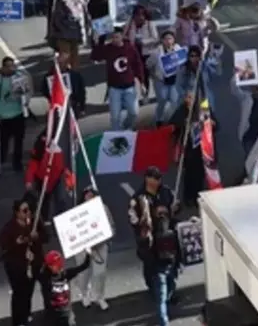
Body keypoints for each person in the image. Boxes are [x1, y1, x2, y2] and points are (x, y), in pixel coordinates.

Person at [128, 167, 180, 326]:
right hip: (151, 247)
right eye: (155, 178)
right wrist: (143, 224)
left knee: (172, 273)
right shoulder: (138, 198)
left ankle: (169, 293)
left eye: (159, 178)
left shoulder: (166, 192)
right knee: (155, 276)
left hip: (169, 242)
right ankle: (157, 295)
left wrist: (175, 208)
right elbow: (133, 219)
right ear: (147, 179)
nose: (158, 181)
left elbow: (176, 208)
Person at [0, 199, 48, 326]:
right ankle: (17, 320)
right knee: (19, 293)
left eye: (29, 210)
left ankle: (26, 315)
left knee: (29, 291)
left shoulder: (35, 222)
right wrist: (16, 243)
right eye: (24, 211)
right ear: (17, 213)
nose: (28, 213)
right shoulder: (9, 228)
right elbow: (1, 247)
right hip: (16, 267)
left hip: (34, 263)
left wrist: (37, 236)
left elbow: (46, 236)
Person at [91, 28, 145, 130]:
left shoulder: (130, 48)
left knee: (134, 112)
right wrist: (96, 43)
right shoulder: (108, 48)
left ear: (122, 37)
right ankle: (116, 135)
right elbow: (95, 57)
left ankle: (126, 127)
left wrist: (141, 82)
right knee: (115, 116)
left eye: (117, 37)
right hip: (114, 88)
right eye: (113, 38)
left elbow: (138, 65)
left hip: (129, 86)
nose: (115, 40)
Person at [169, 92, 215, 207]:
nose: (189, 100)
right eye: (187, 97)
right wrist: (184, 122)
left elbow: (215, 124)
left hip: (202, 148)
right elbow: (173, 124)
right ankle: (188, 197)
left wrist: (211, 124)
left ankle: (197, 196)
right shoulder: (182, 110)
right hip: (188, 148)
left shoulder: (203, 108)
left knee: (200, 174)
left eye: (191, 97)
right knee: (189, 174)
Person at [75, 186, 114, 311]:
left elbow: (111, 226)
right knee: (83, 273)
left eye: (92, 195)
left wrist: (106, 238)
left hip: (101, 246)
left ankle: (99, 296)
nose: (90, 198)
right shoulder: (77, 212)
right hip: (83, 248)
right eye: (87, 195)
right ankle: (84, 294)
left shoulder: (104, 209)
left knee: (100, 273)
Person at [25, 129, 76, 225]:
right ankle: (45, 218)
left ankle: (60, 220)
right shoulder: (40, 145)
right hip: (44, 177)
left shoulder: (63, 143)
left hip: (57, 177)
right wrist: (29, 179)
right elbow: (34, 163)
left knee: (59, 198)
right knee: (45, 199)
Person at [0, 57, 29, 172]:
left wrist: (25, 99)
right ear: (3, 67)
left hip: (18, 114)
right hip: (4, 116)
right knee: (4, 141)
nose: (11, 68)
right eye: (8, 66)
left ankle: (17, 163)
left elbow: (26, 92)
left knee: (19, 141)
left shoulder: (19, 78)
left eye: (12, 66)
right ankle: (2, 160)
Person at [39, 249, 91, 326]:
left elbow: (84, 266)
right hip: (52, 316)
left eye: (60, 264)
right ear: (49, 266)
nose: (59, 267)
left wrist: (88, 254)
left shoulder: (65, 274)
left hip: (66, 314)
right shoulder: (44, 278)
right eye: (56, 265)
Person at [230, 75, 258, 156]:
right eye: (257, 88)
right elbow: (234, 89)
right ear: (252, 89)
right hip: (249, 137)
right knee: (251, 161)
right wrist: (238, 74)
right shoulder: (246, 99)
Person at [48, 0, 90, 70]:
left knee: (74, 59)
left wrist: (87, 27)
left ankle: (72, 78)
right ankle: (56, 76)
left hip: (76, 30)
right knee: (64, 56)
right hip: (61, 30)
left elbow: (85, 7)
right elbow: (52, 9)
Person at [123, 5, 159, 104]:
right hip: (134, 53)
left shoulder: (149, 24)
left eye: (141, 15)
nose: (139, 18)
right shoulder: (130, 24)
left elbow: (156, 39)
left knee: (149, 75)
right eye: (137, 15)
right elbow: (124, 36)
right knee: (137, 75)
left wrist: (144, 41)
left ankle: (152, 94)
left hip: (147, 53)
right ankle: (140, 96)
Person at [146, 30, 182, 125]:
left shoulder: (178, 49)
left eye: (170, 39)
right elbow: (149, 65)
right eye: (166, 39)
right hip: (161, 81)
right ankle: (159, 119)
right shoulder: (156, 52)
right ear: (162, 40)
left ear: (174, 40)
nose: (168, 41)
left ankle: (172, 120)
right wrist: (154, 75)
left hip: (174, 81)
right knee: (162, 100)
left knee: (174, 101)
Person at [175, 45, 220, 114]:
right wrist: (185, 96)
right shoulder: (183, 69)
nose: (194, 58)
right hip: (190, 99)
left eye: (196, 56)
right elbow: (178, 85)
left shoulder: (204, 66)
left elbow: (215, 75)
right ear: (188, 57)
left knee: (206, 117)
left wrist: (216, 60)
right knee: (191, 118)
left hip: (204, 97)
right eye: (192, 56)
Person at [42, 51, 87, 117]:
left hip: (72, 106)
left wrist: (82, 107)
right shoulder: (48, 77)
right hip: (57, 108)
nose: (60, 65)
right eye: (58, 63)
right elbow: (45, 91)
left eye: (62, 63)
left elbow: (81, 92)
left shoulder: (75, 75)